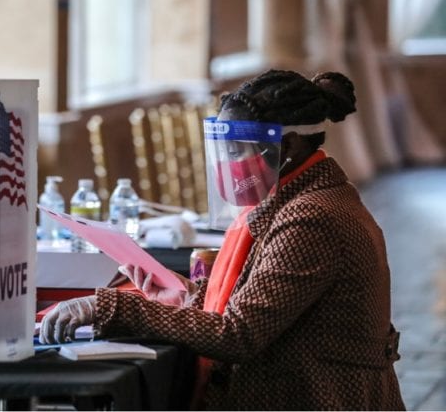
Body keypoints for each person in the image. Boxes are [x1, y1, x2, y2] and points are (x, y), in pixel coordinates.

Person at [40, 69, 405, 410]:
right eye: (223, 150)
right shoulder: (296, 199)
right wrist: (189, 298)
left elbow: (239, 335)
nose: (226, 164)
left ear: (287, 145)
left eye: (237, 150)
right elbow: (264, 306)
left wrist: (113, 308)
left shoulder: (311, 218)